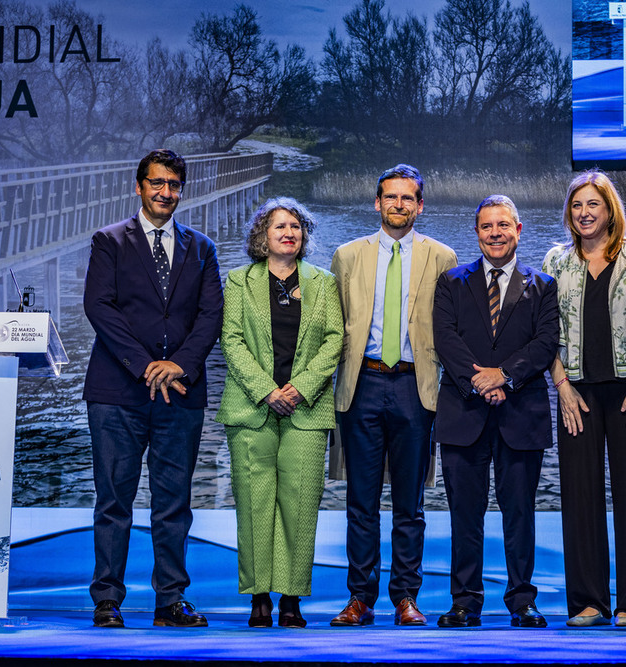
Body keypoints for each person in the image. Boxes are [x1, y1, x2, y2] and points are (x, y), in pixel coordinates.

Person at [84, 149, 223, 628]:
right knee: (113, 501)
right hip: (117, 391)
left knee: (173, 503)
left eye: (174, 185)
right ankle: (107, 599)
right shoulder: (109, 241)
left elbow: (210, 318)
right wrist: (147, 367)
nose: (166, 192)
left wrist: (178, 366)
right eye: (157, 183)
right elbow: (100, 307)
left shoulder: (202, 247)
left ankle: (170, 602)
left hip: (181, 393)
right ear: (139, 186)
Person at [329, 165, 457, 627]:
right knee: (360, 501)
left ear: (420, 205)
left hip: (413, 386)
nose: (398, 205)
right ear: (377, 202)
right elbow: (334, 327)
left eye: (407, 198)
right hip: (361, 385)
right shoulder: (346, 256)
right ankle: (359, 599)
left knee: (410, 503)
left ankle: (406, 596)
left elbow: (449, 329)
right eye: (390, 197)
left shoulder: (442, 257)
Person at [432, 195, 559, 629]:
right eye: (487, 226)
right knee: (465, 516)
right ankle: (465, 602)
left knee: (519, 513)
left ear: (518, 230)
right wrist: (480, 382)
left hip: (520, 412)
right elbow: (445, 339)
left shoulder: (543, 284)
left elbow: (545, 343)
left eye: (503, 225)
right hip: (463, 411)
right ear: (477, 233)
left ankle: (522, 601)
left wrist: (503, 376)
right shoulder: (451, 282)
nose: (495, 233)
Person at [216, 198, 343, 628]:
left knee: (300, 506)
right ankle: (259, 599)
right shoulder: (238, 281)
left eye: (295, 226)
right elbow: (231, 341)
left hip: (307, 409)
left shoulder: (323, 283)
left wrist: (299, 388)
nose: (288, 232)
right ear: (262, 236)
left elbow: (333, 342)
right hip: (252, 407)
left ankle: (290, 600)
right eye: (279, 226)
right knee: (254, 507)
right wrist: (268, 391)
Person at [542, 172, 626, 627]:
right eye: (577, 206)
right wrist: (562, 385)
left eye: (593, 204)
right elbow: (544, 332)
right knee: (579, 497)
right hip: (577, 394)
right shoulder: (556, 260)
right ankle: (589, 601)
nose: (585, 213)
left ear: (610, 209)